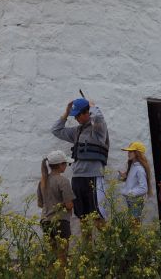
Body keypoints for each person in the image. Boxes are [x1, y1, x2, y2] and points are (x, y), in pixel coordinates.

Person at [51, 98, 109, 229]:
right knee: (82, 217)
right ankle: (87, 249)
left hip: (93, 177)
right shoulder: (76, 131)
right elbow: (56, 130)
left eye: (78, 115)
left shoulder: (98, 129)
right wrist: (66, 112)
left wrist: (92, 106)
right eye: (75, 115)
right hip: (77, 178)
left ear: (86, 113)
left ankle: (110, 247)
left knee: (97, 216)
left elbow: (99, 118)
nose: (76, 118)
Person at [37, 150, 75, 274]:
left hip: (46, 221)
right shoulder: (63, 181)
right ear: (60, 165)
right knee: (62, 256)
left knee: (52, 257)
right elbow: (69, 205)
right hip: (60, 222)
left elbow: (40, 204)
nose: (66, 166)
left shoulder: (42, 181)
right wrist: (63, 205)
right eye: (66, 164)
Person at [119, 141, 152, 221]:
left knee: (134, 225)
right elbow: (132, 182)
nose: (128, 153)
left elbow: (144, 188)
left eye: (131, 151)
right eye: (128, 151)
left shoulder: (139, 169)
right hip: (131, 200)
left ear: (137, 153)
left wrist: (129, 193)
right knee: (133, 224)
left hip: (135, 201)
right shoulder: (133, 166)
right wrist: (123, 177)